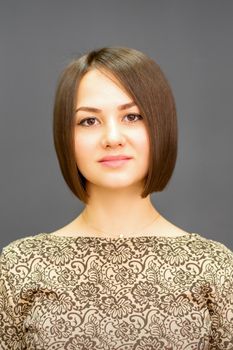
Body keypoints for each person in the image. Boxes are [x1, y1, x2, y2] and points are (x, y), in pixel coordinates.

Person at [0, 46, 232, 349]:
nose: (112, 138)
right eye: (89, 121)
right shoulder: (20, 266)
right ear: (65, 138)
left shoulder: (215, 268)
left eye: (132, 116)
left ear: (161, 126)